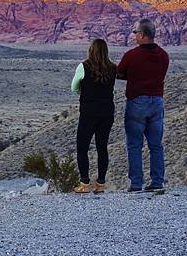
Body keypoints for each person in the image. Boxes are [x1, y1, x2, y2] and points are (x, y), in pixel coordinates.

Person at [117, 18, 169, 192]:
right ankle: (157, 181)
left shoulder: (132, 55)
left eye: (135, 33)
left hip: (137, 102)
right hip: (157, 102)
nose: (134, 36)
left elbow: (120, 73)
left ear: (142, 34)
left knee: (134, 144)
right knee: (156, 144)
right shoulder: (163, 55)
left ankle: (136, 183)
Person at [70, 38, 117, 193]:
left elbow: (74, 87)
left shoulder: (84, 66)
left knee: (82, 147)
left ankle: (84, 183)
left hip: (89, 113)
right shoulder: (112, 68)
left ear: (91, 50)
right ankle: (100, 184)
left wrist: (82, 92)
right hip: (107, 113)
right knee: (102, 147)